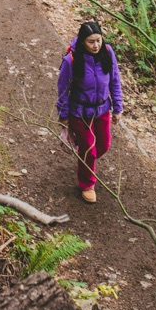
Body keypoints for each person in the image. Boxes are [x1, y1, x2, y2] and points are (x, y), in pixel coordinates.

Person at [56, 18, 123, 203]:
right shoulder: (71, 60)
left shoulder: (108, 53)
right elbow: (63, 89)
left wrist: (118, 107)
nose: (96, 45)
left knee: (104, 145)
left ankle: (85, 162)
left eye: (98, 40)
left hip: (102, 109)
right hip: (79, 112)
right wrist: (63, 115)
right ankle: (87, 184)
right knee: (89, 149)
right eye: (91, 42)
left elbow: (115, 80)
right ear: (83, 41)